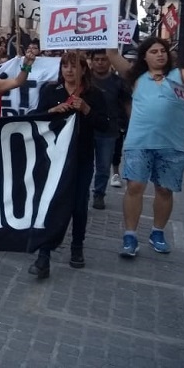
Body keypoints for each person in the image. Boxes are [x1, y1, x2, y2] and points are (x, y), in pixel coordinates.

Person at [107, 38, 184, 257]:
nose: (160, 55)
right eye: (154, 51)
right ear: (145, 56)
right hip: (139, 143)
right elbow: (112, 54)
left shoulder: (179, 75)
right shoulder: (137, 78)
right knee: (135, 187)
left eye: (163, 51)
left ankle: (157, 232)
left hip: (173, 145)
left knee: (164, 190)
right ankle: (130, 236)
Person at [28, 52, 108, 278]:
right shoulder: (50, 91)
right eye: (65, 66)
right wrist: (51, 111)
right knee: (50, 203)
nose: (69, 71)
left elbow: (105, 125)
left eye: (74, 66)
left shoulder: (94, 94)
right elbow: (34, 117)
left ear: (84, 69)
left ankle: (77, 246)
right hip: (52, 159)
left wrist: (86, 110)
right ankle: (44, 255)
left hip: (81, 158)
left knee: (79, 205)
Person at [89, 50, 131, 209]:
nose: (100, 62)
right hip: (87, 129)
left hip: (109, 131)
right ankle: (82, 194)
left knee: (103, 166)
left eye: (104, 59)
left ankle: (99, 194)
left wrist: (132, 125)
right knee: (85, 165)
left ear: (110, 62)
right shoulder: (84, 80)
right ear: (91, 62)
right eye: (97, 59)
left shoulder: (119, 82)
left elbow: (127, 105)